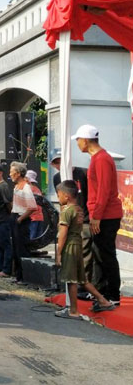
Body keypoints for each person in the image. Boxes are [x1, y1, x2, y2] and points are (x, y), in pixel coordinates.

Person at [73, 124, 123, 306]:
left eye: (78, 140)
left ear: (85, 140)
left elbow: (103, 190)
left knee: (106, 254)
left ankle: (112, 294)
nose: (77, 144)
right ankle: (101, 291)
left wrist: (97, 216)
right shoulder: (97, 158)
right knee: (99, 254)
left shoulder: (101, 159)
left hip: (105, 215)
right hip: (102, 214)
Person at [54, 180, 115, 319]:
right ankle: (103, 300)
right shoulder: (79, 209)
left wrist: (58, 253)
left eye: (59, 195)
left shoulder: (67, 211)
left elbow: (63, 233)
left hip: (70, 246)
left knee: (71, 279)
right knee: (82, 279)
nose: (58, 198)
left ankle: (73, 311)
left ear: (66, 196)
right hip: (78, 244)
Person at [49, 148, 94, 297]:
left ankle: (85, 288)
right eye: (55, 163)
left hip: (85, 218)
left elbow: (90, 195)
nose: (58, 165)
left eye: (60, 161)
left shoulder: (83, 173)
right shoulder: (57, 178)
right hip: (68, 219)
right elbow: (61, 202)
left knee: (84, 254)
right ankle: (74, 287)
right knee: (71, 255)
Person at [8, 162, 37, 285]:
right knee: (15, 248)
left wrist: (20, 219)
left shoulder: (26, 187)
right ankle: (18, 276)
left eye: (12, 172)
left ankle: (24, 277)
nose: (10, 174)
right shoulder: (16, 187)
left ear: (18, 173)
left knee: (21, 248)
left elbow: (32, 207)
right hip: (15, 216)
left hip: (21, 219)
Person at [25, 170, 45, 240]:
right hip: (40, 217)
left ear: (27, 179)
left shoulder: (28, 189)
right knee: (37, 238)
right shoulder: (37, 189)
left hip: (31, 217)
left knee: (31, 238)